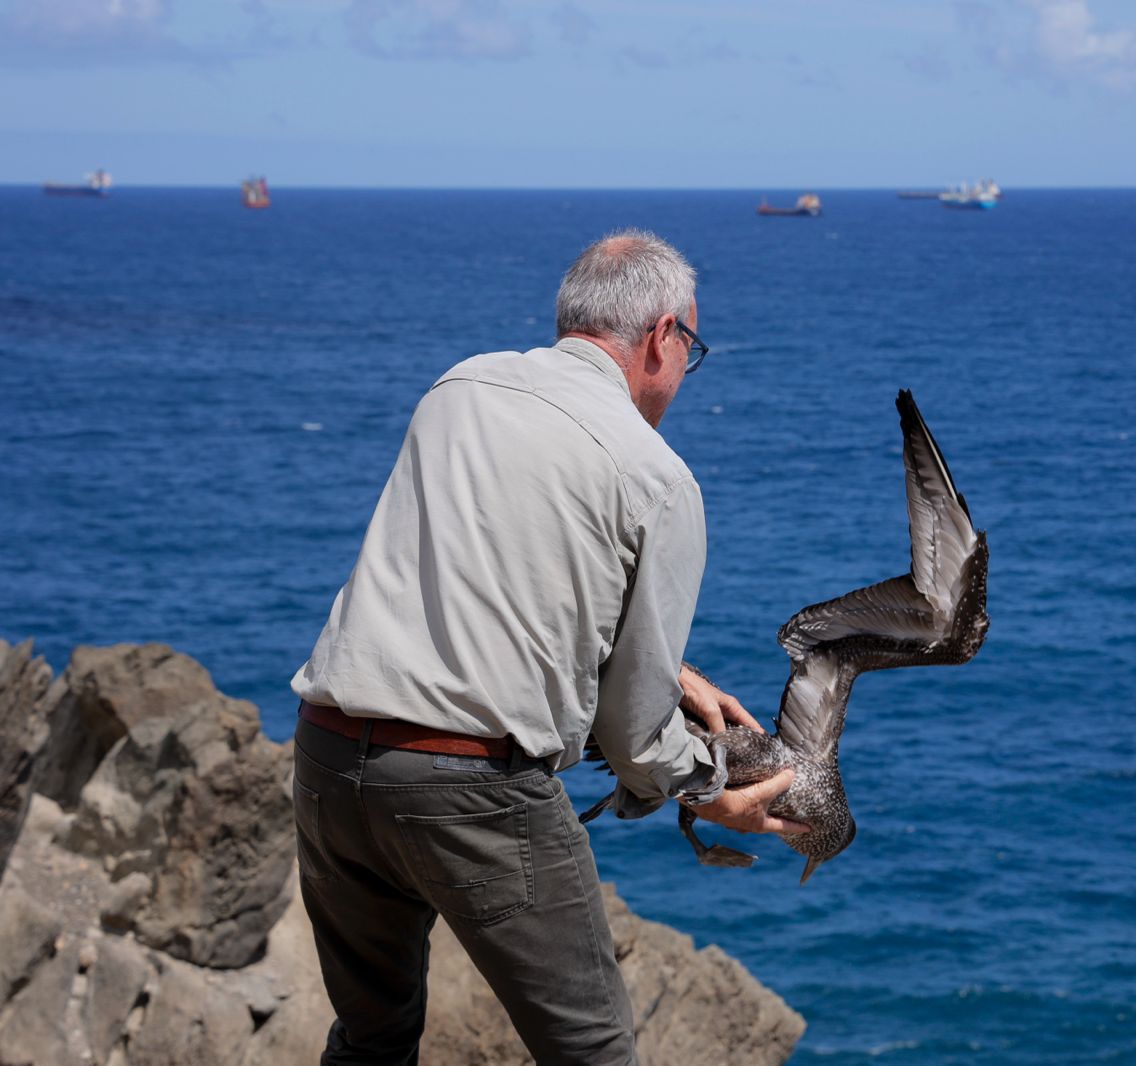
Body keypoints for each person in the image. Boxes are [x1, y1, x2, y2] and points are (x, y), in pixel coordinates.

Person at [289, 229, 805, 1065]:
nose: (682, 374)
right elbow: (636, 739)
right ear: (662, 336)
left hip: (331, 761)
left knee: (371, 1041)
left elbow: (479, 565)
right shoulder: (655, 474)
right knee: (592, 1054)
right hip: (469, 787)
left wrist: (664, 667)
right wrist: (715, 794)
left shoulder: (457, 388)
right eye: (690, 350)